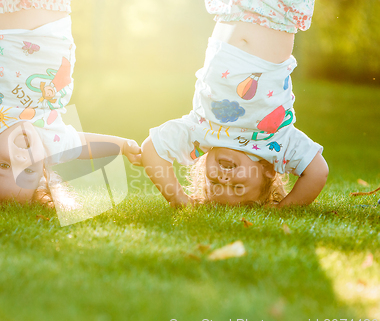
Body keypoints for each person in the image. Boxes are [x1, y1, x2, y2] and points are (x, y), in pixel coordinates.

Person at [0, 1, 141, 213]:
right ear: (43, 169)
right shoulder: (49, 139)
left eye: (5, 165)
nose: (21, 158)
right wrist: (122, 146)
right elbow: (83, 145)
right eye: (28, 171)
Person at [141, 0, 328, 207]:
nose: (224, 180)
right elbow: (318, 172)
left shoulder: (201, 133)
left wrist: (178, 199)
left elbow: (151, 149)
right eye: (238, 188)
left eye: (213, 183)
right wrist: (285, 209)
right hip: (277, 10)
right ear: (268, 171)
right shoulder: (275, 143)